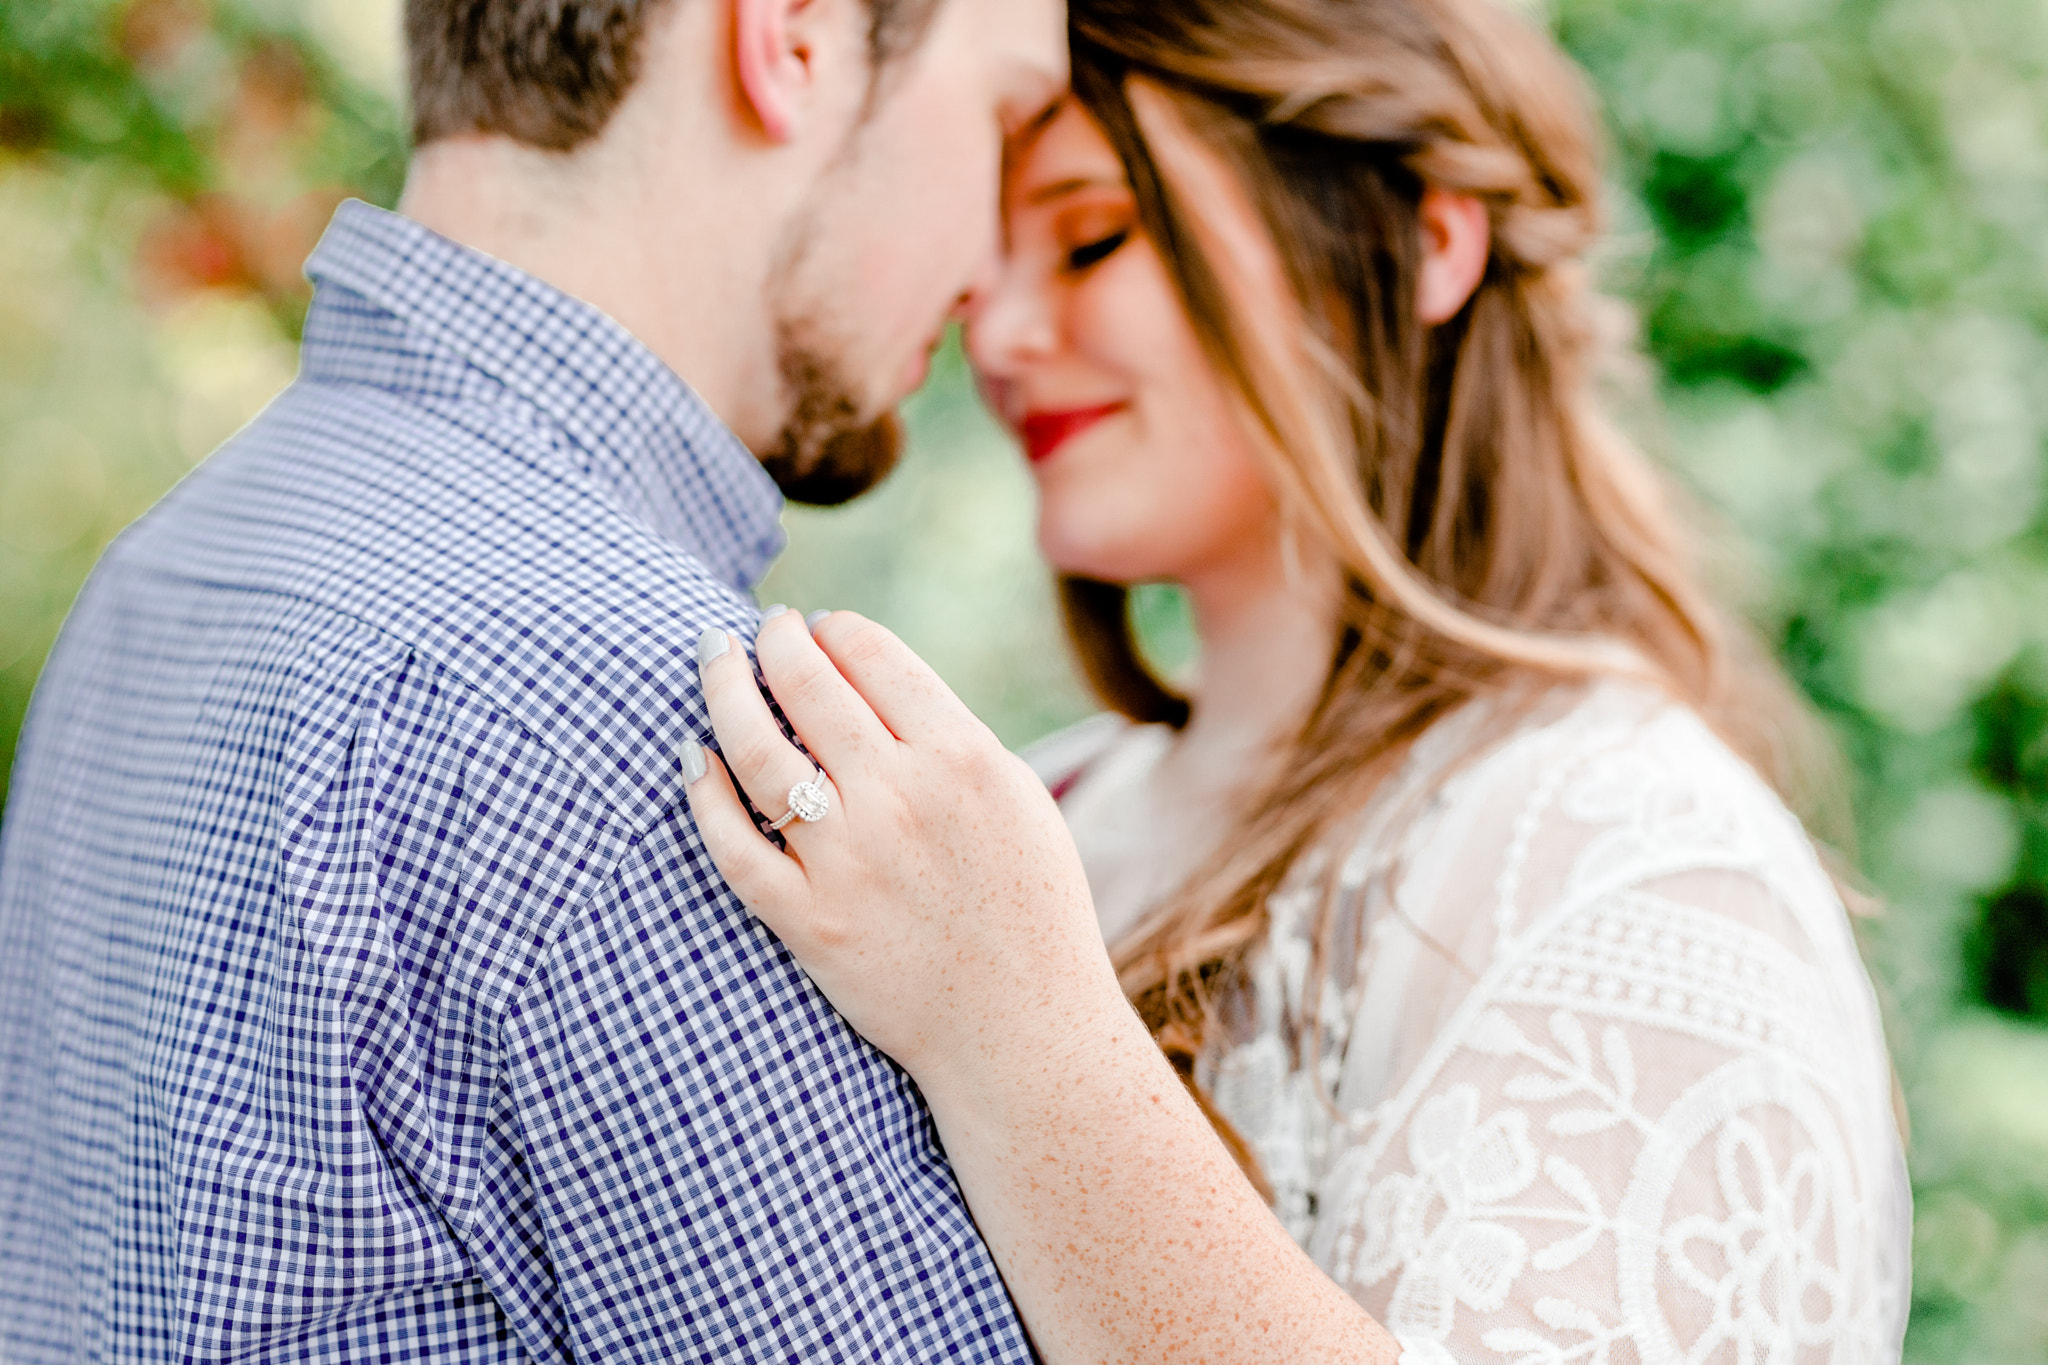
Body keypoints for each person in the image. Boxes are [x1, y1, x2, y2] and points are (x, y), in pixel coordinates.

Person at [682, 0, 1914, 1358]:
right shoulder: (1058, 799)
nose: (1008, 337)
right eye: (989, 269)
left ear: (1422, 234)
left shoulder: (1637, 861)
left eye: (1095, 237)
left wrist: (1016, 1033)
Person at [0, 1, 1066, 1360]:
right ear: (790, 38)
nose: (995, 261)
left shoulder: (166, 572)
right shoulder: (661, 728)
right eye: (1011, 115)